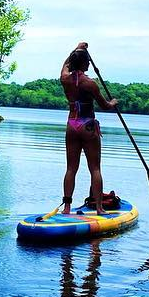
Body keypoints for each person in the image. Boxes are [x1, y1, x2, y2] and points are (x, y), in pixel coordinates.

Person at [60, 41, 117, 214]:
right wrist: (113, 102)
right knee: (95, 168)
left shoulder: (64, 79)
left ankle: (67, 207)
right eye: (88, 62)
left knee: (71, 168)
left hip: (72, 125)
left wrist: (76, 48)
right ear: (85, 63)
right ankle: (99, 208)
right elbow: (104, 105)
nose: (89, 64)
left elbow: (65, 64)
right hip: (87, 125)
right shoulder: (90, 83)